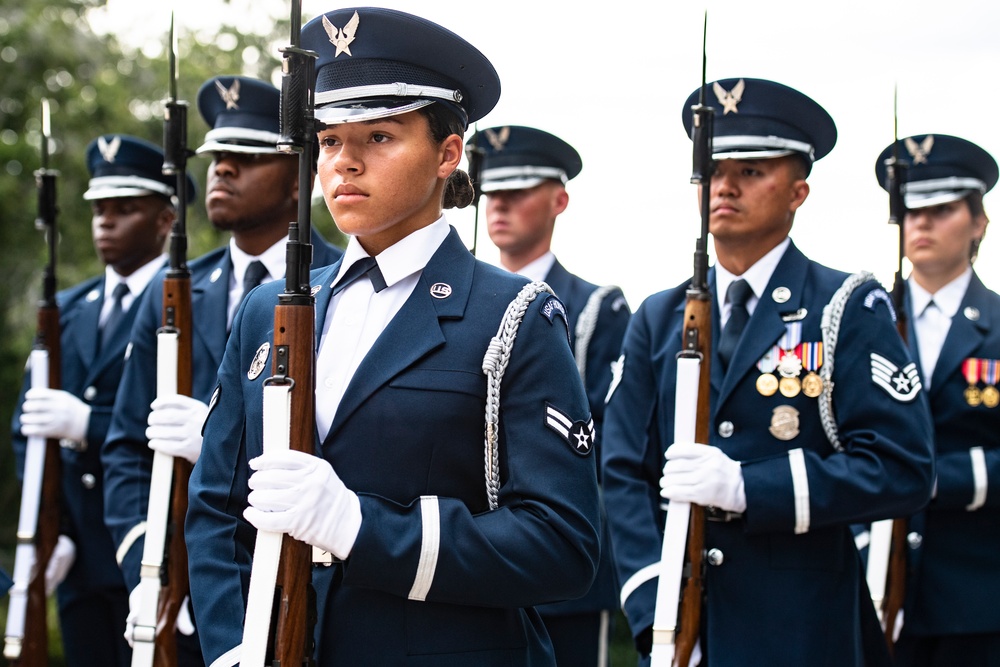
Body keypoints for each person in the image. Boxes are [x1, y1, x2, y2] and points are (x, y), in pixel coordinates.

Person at [186, 8, 601, 666]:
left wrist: (361, 526)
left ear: (448, 153)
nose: (345, 161)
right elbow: (215, 507)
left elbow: (562, 544)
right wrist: (237, 643)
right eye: (328, 140)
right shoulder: (269, 309)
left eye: (379, 136)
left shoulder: (513, 314)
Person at [601, 77, 935, 666]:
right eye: (713, 170)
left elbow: (903, 468)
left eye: (751, 171)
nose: (724, 186)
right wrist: (657, 608)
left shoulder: (847, 307)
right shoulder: (658, 316)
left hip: (804, 628)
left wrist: (750, 488)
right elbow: (622, 471)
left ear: (798, 191)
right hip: (683, 625)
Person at [101, 76, 343, 660]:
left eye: (247, 158)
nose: (222, 171)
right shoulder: (170, 289)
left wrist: (212, 440)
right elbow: (126, 448)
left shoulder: (341, 287)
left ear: (298, 180)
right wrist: (146, 565)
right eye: (217, 158)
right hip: (177, 588)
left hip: (298, 595)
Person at [11, 134, 195, 666]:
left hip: (147, 548)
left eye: (125, 209)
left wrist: (89, 422)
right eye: (99, 210)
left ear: (165, 220)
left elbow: (175, 420)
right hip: (77, 556)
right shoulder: (67, 309)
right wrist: (56, 531)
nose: (104, 222)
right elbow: (28, 429)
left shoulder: (185, 301)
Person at [469, 124, 630, 666]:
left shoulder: (595, 308)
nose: (500, 205)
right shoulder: (457, 301)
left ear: (559, 199)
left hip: (559, 565)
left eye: (518, 191)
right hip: (466, 556)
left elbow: (608, 436)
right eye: (492, 192)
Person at [872, 134, 1000, 666]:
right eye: (909, 210)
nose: (920, 224)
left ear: (979, 223)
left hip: (979, 594)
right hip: (871, 582)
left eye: (941, 210)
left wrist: (927, 480)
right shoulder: (863, 320)